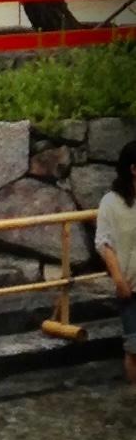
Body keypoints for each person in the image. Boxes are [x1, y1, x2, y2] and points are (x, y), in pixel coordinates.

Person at [94, 139, 136, 385]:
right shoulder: (111, 203)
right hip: (130, 287)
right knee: (133, 349)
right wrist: (118, 280)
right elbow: (104, 243)